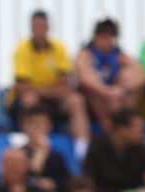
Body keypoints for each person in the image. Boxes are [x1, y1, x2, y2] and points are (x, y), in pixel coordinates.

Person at [10, 10, 90, 161]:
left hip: (53, 102)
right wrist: (51, 89)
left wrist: (37, 87)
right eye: (36, 26)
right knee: (29, 99)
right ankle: (31, 147)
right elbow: (21, 87)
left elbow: (63, 84)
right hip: (35, 100)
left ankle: (82, 151)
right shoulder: (21, 49)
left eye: (42, 26)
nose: (39, 30)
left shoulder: (59, 48)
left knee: (76, 100)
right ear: (31, 28)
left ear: (48, 28)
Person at [75, 16, 145, 132]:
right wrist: (106, 92)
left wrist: (121, 89)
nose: (107, 39)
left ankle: (127, 124)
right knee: (92, 84)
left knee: (128, 76)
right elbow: (83, 77)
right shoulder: (86, 53)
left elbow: (141, 74)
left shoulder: (119, 54)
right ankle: (108, 126)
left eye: (111, 35)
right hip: (94, 102)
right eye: (103, 35)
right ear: (96, 35)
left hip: (115, 99)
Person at [82, 108, 145, 192]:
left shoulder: (141, 149)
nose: (142, 132)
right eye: (138, 128)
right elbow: (89, 178)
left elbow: (144, 182)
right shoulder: (98, 144)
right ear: (121, 128)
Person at [19, 105, 71, 192]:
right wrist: (35, 164)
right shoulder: (19, 154)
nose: (40, 128)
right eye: (36, 124)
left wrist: (53, 184)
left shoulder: (56, 156)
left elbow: (66, 182)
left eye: (44, 124)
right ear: (25, 126)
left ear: (50, 127)